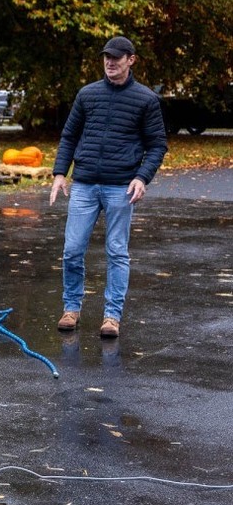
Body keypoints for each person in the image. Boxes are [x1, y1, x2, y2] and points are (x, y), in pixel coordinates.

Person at [49, 36, 167, 338]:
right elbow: (69, 136)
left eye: (116, 57)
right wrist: (60, 173)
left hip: (120, 187)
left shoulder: (146, 99)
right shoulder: (87, 94)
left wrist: (142, 177)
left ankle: (112, 316)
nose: (110, 62)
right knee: (72, 250)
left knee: (116, 251)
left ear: (131, 60)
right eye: (106, 57)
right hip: (85, 184)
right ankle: (71, 309)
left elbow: (157, 145)